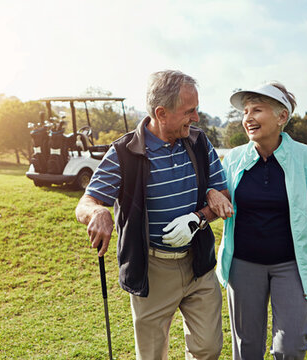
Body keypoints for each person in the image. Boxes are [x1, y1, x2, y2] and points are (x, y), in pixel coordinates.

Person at [75, 70, 232, 359]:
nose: (196, 117)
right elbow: (87, 201)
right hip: (152, 269)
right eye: (189, 111)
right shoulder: (124, 153)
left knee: (208, 348)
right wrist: (97, 212)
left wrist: (198, 217)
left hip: (198, 262)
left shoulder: (199, 142)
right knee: (151, 355)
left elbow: (224, 197)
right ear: (161, 113)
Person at [213, 82, 307, 359]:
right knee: (247, 347)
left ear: (281, 117)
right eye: (245, 111)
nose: (248, 118)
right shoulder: (233, 159)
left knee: (291, 347)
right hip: (243, 265)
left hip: (294, 266)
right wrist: (212, 194)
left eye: (257, 110)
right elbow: (213, 195)